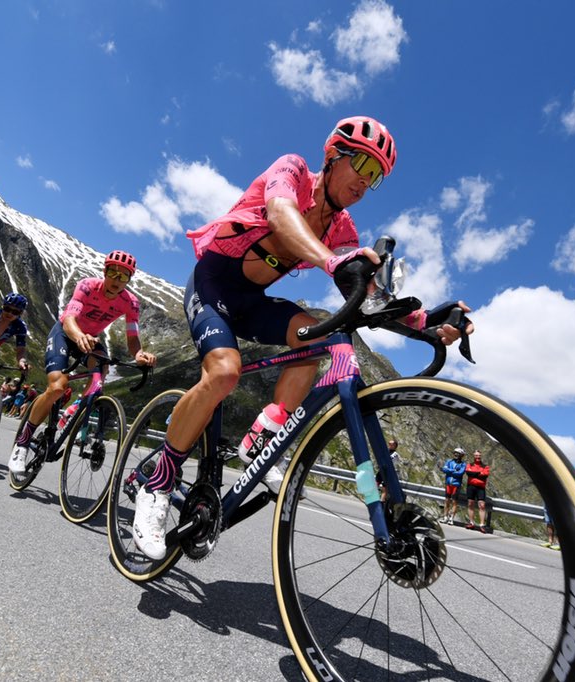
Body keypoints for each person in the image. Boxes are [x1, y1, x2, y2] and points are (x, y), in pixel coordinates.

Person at [130, 116, 474, 560]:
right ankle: (158, 483)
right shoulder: (292, 171)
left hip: (251, 300)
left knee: (316, 342)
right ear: (333, 157)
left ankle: (262, 439)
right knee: (225, 372)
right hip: (212, 287)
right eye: (363, 168)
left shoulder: (343, 230)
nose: (366, 184)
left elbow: (367, 296)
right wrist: (333, 263)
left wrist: (427, 320)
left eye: (377, 177)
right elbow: (281, 215)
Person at [8, 253, 155, 474]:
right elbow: (69, 319)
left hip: (91, 339)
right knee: (57, 387)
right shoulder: (87, 286)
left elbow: (132, 337)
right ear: (104, 272)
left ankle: (74, 411)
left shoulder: (130, 302)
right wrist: (79, 337)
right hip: (67, 334)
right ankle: (23, 442)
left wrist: (140, 354)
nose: (117, 279)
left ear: (129, 280)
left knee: (100, 374)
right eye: (112, 272)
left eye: (123, 276)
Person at [465, 451, 490, 532]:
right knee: (470, 503)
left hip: (481, 488)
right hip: (471, 486)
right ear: (474, 456)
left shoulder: (485, 466)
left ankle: (482, 525)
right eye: (476, 455)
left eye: (479, 455)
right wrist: (479, 473)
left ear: (481, 456)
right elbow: (468, 473)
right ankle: (471, 523)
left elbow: (485, 475)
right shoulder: (470, 464)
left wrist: (474, 474)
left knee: (482, 505)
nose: (477, 457)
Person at [440, 447, 467, 524]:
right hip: (448, 484)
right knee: (447, 500)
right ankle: (445, 517)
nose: (455, 454)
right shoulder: (449, 461)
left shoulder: (463, 464)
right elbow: (444, 470)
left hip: (456, 485)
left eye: (457, 453)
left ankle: (451, 518)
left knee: (454, 502)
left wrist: (449, 471)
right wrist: (453, 470)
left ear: (461, 455)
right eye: (455, 453)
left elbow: (460, 473)